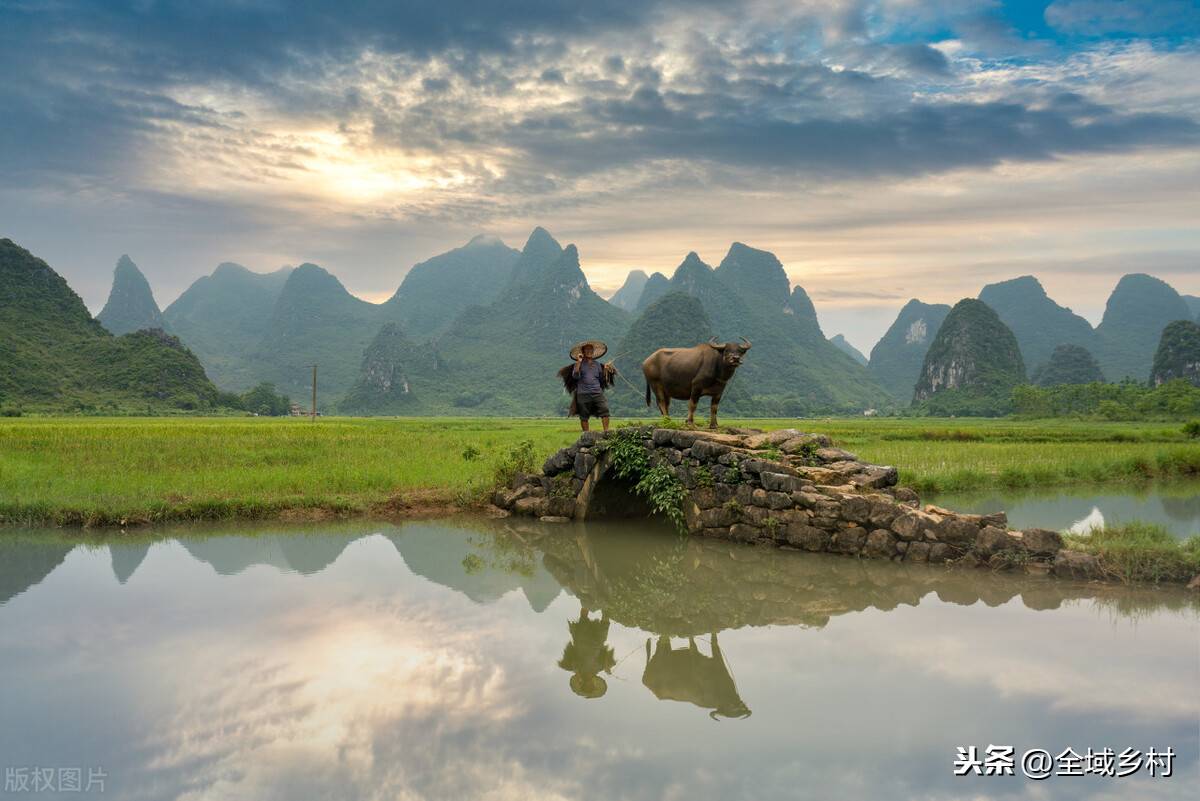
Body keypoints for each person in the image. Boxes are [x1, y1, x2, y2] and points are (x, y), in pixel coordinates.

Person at [571, 341, 611, 432]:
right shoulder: (578, 364)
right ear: (583, 352)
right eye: (587, 349)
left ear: (593, 351)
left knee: (605, 410)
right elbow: (575, 376)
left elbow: (601, 379)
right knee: (584, 416)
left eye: (591, 349)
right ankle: (586, 435)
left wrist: (605, 370)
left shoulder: (597, 364)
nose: (589, 351)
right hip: (583, 393)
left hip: (597, 392)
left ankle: (606, 432)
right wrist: (579, 362)